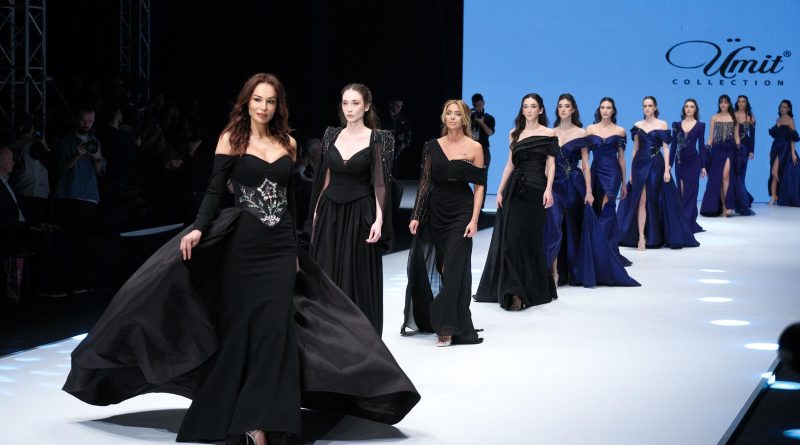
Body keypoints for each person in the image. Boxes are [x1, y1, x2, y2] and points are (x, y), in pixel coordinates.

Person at [63, 74, 419, 445]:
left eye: (270, 101)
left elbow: (289, 202)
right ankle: (244, 418)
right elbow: (214, 191)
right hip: (244, 246)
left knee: (276, 334)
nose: (264, 107)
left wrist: (294, 249)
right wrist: (198, 229)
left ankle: (266, 421)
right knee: (243, 332)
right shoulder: (231, 139)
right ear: (247, 102)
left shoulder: (288, 143)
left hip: (279, 248)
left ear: (278, 106)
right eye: (258, 100)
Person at [309, 83, 394, 335]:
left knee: (356, 275)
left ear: (366, 106)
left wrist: (379, 220)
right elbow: (325, 178)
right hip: (330, 213)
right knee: (327, 272)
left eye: (355, 103)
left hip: (359, 214)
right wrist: (316, 213)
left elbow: (380, 183)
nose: (349, 108)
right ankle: (328, 337)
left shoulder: (379, 138)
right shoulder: (331, 135)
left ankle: (359, 337)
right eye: (345, 103)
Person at [402, 99, 486, 347]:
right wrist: (416, 214)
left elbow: (479, 186)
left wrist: (474, 219)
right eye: (448, 113)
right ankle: (453, 316)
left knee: (454, 265)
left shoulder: (475, 147)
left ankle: (446, 326)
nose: (452, 117)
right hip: (436, 211)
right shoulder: (432, 146)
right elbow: (425, 182)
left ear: (464, 118)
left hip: (461, 209)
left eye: (457, 114)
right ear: (443, 117)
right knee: (443, 266)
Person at [474, 93, 557, 310]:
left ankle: (530, 287)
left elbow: (551, 164)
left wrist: (549, 189)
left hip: (537, 191)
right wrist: (500, 190)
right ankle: (514, 292)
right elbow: (510, 164)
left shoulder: (549, 133)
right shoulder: (515, 133)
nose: (528, 110)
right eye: (525, 106)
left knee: (530, 241)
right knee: (510, 240)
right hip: (515, 191)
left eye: (533, 106)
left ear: (540, 110)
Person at [546, 94, 638, 287]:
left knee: (590, 217)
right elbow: (549, 163)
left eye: (567, 106)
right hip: (558, 183)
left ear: (573, 109)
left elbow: (588, 164)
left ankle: (600, 253)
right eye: (560, 106)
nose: (563, 109)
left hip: (585, 180)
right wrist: (546, 187)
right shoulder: (552, 132)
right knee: (555, 224)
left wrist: (589, 190)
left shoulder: (583, 133)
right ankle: (554, 273)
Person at [617, 96, 699, 250]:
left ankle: (655, 235)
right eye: (645, 106)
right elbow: (635, 149)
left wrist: (667, 169)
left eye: (650, 106)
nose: (647, 108)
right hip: (640, 164)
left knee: (653, 199)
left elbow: (666, 148)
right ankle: (641, 237)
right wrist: (631, 173)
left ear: (655, 107)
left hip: (656, 164)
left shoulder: (662, 124)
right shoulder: (637, 125)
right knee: (641, 199)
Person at [53, 107, 106, 293]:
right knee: (67, 241)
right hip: (69, 194)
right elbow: (61, 166)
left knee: (83, 242)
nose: (86, 124)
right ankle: (64, 282)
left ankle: (80, 281)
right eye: (84, 120)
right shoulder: (66, 140)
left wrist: (97, 158)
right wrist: (76, 155)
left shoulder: (95, 141)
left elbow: (100, 171)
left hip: (89, 197)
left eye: (90, 121)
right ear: (77, 118)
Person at [586, 97, 631, 265]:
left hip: (613, 172)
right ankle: (603, 249)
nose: (605, 110)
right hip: (596, 170)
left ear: (613, 110)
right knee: (597, 208)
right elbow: (585, 158)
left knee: (608, 206)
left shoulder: (620, 131)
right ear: (599, 110)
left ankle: (601, 249)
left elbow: (622, 158)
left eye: (608, 107)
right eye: (603, 107)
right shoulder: (590, 129)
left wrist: (624, 183)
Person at [699, 94, 754, 217]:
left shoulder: (734, 117)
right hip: (717, 149)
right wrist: (706, 150)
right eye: (721, 102)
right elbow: (711, 136)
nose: (723, 104)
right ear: (719, 104)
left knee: (726, 176)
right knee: (717, 177)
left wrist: (739, 149)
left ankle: (729, 205)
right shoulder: (714, 117)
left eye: (725, 102)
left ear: (729, 104)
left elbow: (736, 136)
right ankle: (724, 206)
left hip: (729, 149)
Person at [670, 99, 706, 233]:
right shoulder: (676, 125)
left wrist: (703, 166)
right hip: (679, 162)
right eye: (687, 106)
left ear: (695, 109)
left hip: (693, 162)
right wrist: (669, 164)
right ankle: (682, 221)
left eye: (692, 107)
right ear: (683, 109)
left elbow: (701, 146)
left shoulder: (700, 126)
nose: (689, 109)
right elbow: (673, 146)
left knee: (691, 192)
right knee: (681, 191)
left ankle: (687, 223)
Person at [768, 99, 800, 206]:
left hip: (785, 149)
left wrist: (793, 153)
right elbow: (776, 136)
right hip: (775, 148)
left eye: (785, 107)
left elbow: (793, 138)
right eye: (781, 106)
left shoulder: (790, 120)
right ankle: (774, 197)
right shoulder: (778, 119)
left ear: (789, 109)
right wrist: (770, 151)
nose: (782, 108)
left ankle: (780, 193)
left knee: (774, 172)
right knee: (773, 173)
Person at [734, 95, 756, 205]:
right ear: (737, 103)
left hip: (745, 147)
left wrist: (752, 151)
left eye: (743, 101)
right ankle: (741, 198)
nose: (741, 103)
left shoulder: (750, 116)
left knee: (742, 174)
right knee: (734, 173)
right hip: (733, 147)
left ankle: (743, 200)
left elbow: (752, 135)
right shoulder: (733, 115)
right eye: (739, 101)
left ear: (746, 103)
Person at [470, 93, 496, 168]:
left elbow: (490, 132)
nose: (478, 107)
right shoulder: (469, 117)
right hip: (470, 148)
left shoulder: (489, 118)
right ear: (473, 105)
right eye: (476, 106)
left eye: (479, 105)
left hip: (483, 149)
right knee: (468, 173)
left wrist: (481, 123)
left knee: (482, 173)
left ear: (483, 103)